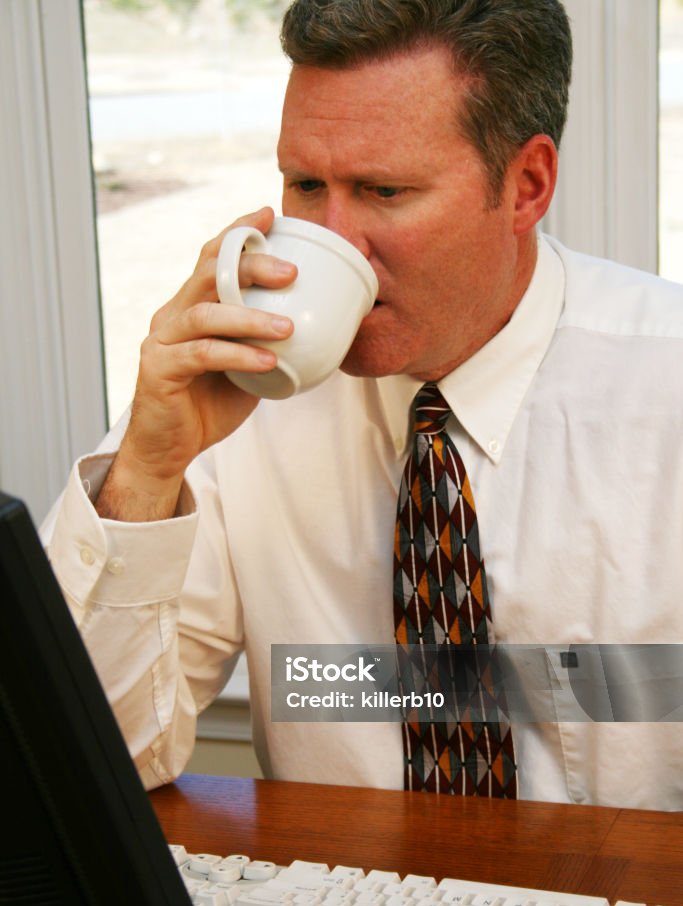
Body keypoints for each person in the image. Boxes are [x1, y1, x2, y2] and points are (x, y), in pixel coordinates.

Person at [42, 0, 683, 808]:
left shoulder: (666, 390)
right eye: (306, 184)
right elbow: (91, 762)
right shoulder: (241, 390)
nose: (333, 242)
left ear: (525, 186)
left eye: (383, 190)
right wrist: (147, 467)